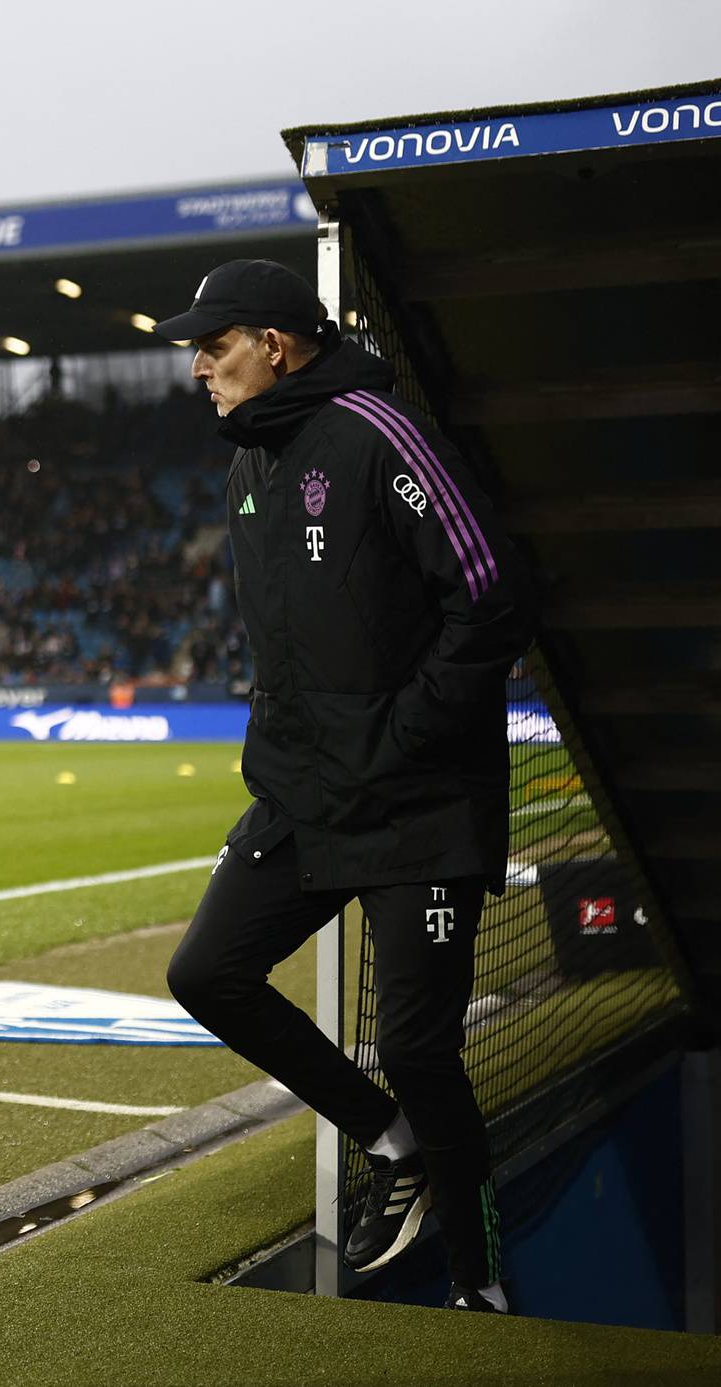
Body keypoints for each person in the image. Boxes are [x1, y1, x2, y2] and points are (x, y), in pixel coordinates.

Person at [154, 260, 538, 1314]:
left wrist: (401, 735)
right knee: (207, 973)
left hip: (418, 802)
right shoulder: (248, 468)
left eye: (214, 344)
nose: (199, 366)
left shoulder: (380, 430)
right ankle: (391, 1145)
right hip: (304, 796)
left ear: (276, 343)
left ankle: (481, 1282)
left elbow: (494, 599)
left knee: (418, 1044)